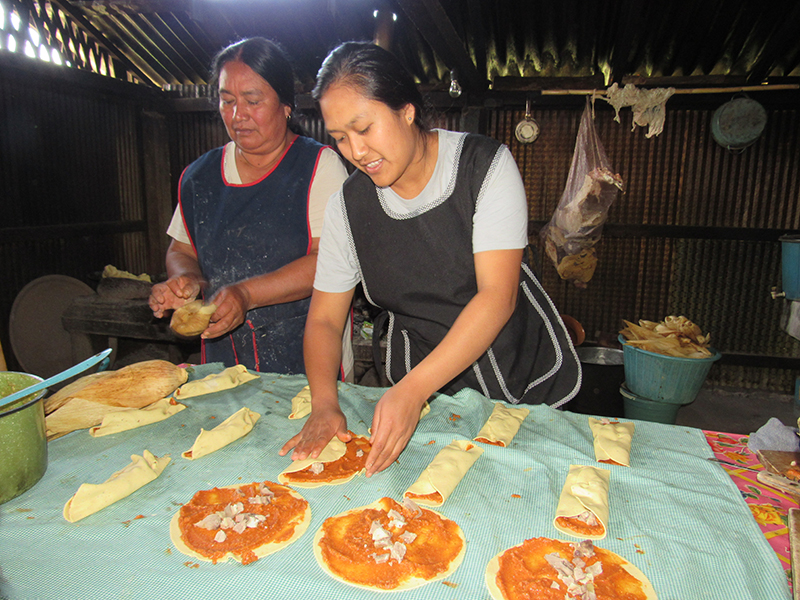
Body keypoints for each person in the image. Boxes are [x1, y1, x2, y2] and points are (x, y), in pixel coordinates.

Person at [280, 42, 581, 475]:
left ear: (406, 110)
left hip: (517, 374)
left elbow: (497, 297)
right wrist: (325, 404)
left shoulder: (484, 166)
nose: (356, 151)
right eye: (340, 138)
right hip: (426, 389)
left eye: (364, 128)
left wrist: (411, 390)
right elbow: (326, 319)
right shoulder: (348, 206)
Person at [148, 37, 353, 378]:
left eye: (252, 101)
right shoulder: (198, 177)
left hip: (306, 362)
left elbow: (330, 261)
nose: (237, 115)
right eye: (227, 101)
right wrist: (185, 280)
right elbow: (181, 248)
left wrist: (246, 294)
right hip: (222, 364)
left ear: (286, 104)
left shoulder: (319, 166)